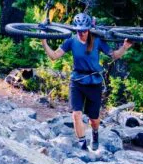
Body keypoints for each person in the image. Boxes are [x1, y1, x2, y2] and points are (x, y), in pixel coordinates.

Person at [41, 13, 132, 152]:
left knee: (93, 119)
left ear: (89, 28)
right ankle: (82, 146)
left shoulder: (97, 41)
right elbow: (54, 56)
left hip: (94, 83)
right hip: (77, 81)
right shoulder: (70, 41)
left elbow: (114, 55)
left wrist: (125, 47)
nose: (81, 33)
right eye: (79, 30)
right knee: (76, 114)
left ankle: (95, 134)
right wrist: (44, 41)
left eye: (84, 30)